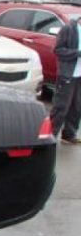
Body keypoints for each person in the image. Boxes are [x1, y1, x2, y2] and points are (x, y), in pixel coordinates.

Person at [50, 16, 81, 144]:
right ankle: (49, 136)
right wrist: (78, 53)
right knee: (61, 107)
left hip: (79, 76)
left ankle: (69, 134)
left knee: (77, 107)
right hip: (68, 75)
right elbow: (58, 50)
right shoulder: (68, 29)